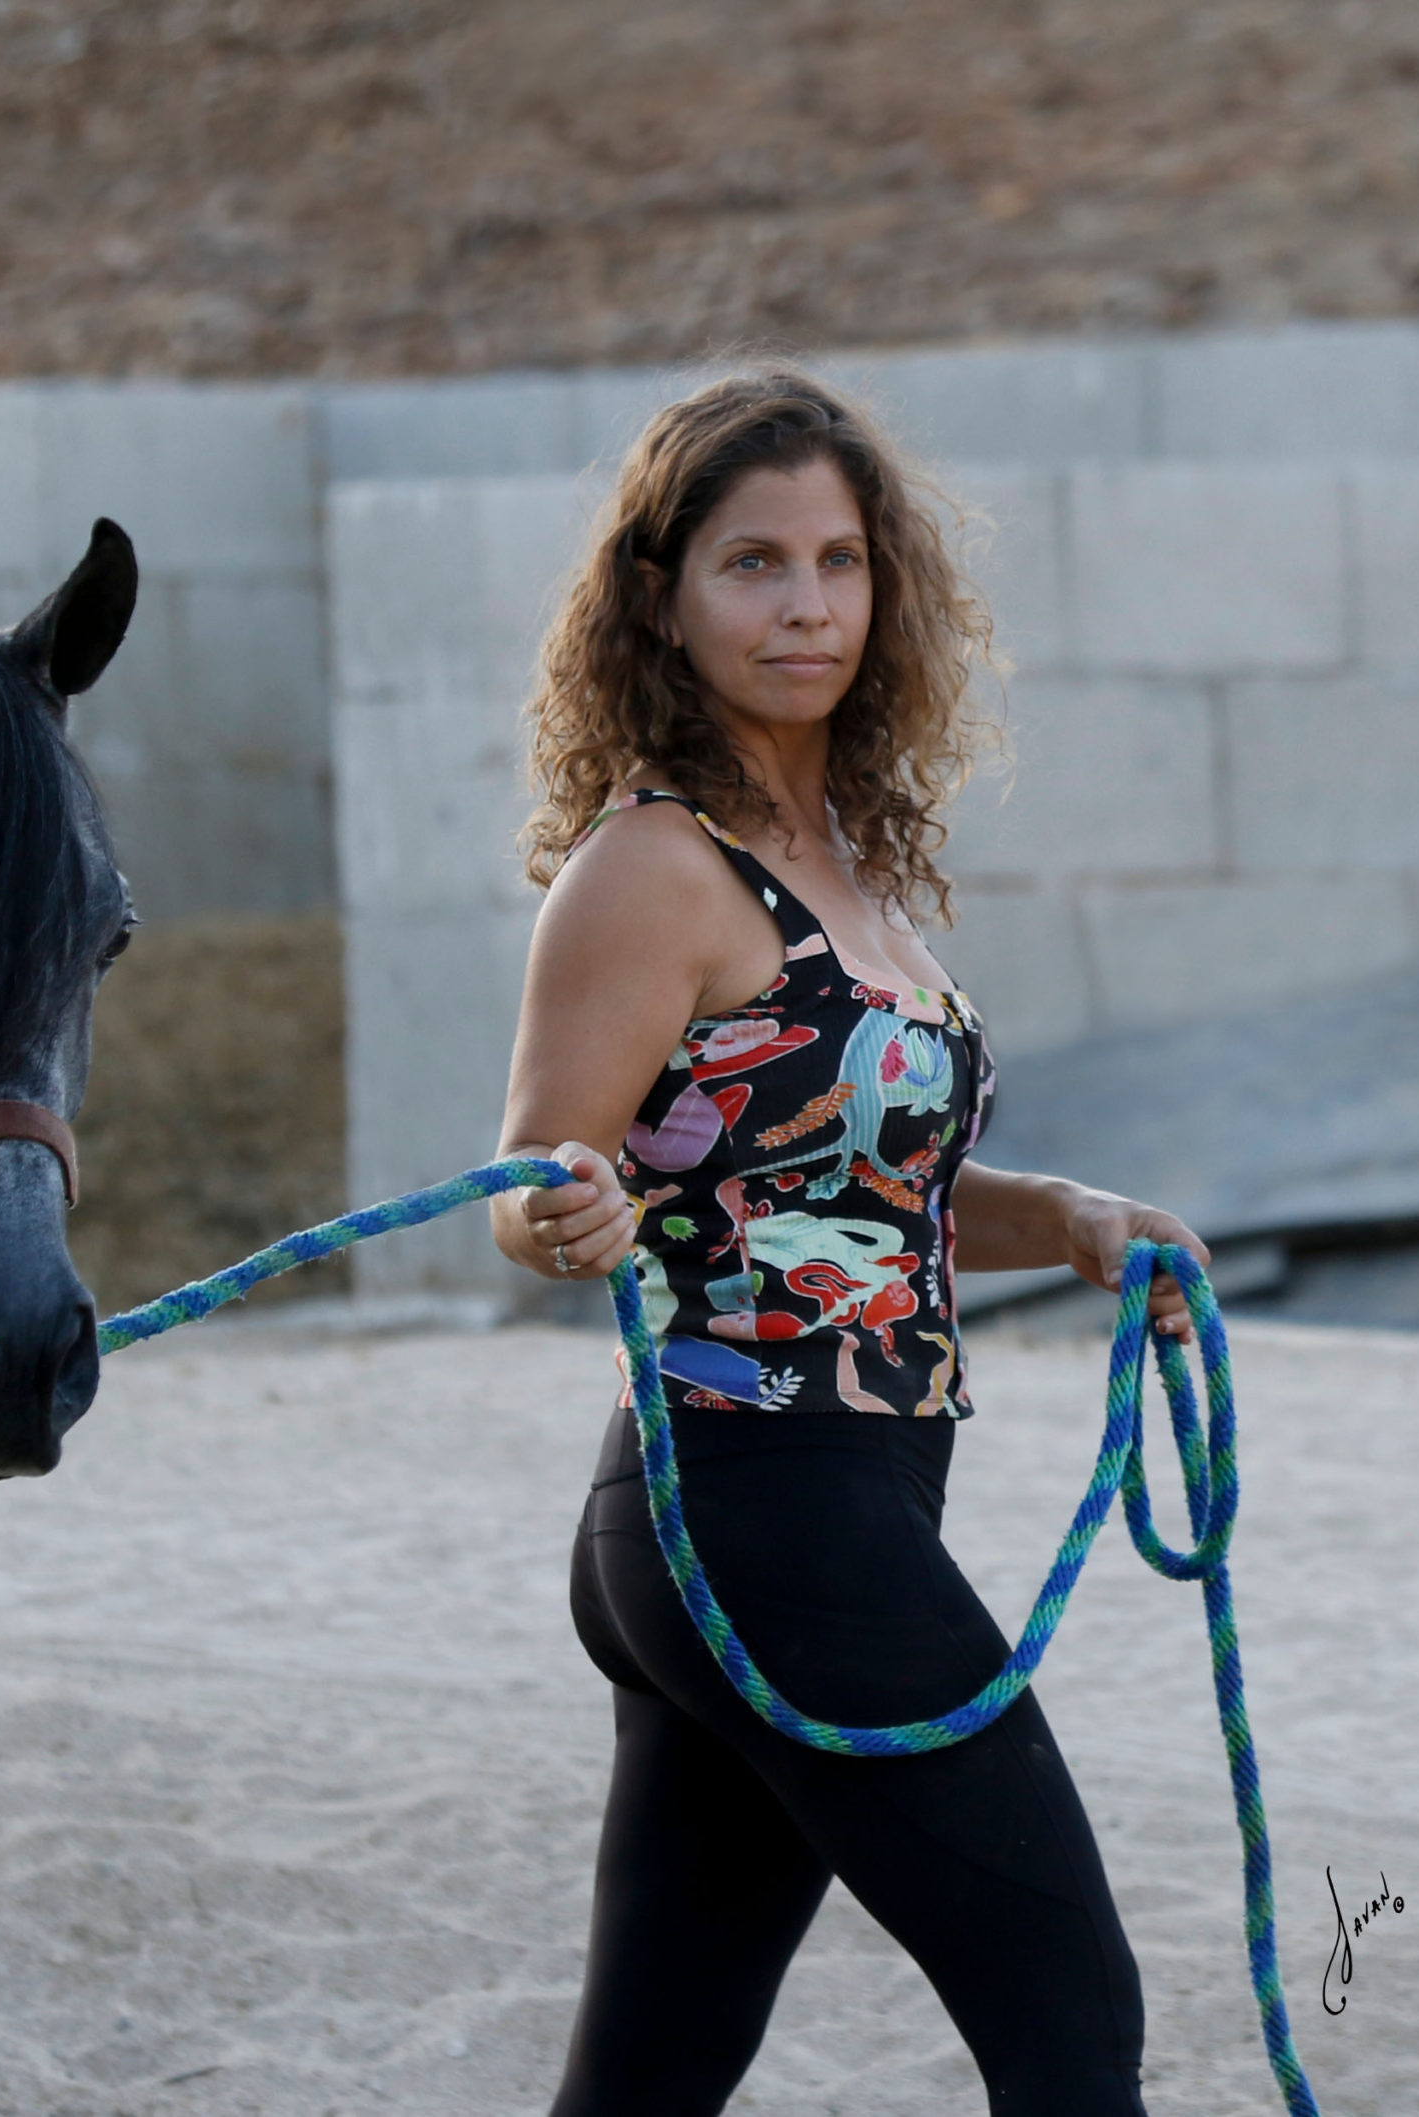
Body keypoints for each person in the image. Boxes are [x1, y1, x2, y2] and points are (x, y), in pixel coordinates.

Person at [489, 367, 1207, 2117]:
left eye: (837, 560)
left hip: (817, 1506)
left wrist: (1076, 1221)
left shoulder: (840, 859)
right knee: (1071, 2017)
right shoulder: (657, 865)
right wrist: (561, 1211)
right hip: (756, 1497)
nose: (806, 603)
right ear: (660, 596)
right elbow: (529, 1173)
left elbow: (851, 1186)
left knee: (649, 2076)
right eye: (753, 563)